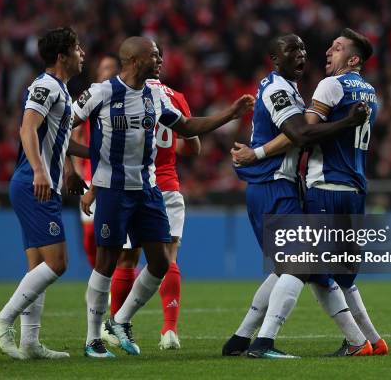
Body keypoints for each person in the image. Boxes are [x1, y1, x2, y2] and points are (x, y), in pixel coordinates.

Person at [72, 36, 254, 358]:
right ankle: (92, 340)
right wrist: (73, 168)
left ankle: (120, 320)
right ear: (134, 60)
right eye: (154, 55)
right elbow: (62, 127)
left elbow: (186, 126)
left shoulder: (155, 94)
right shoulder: (101, 92)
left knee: (159, 262)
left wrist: (230, 114)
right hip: (112, 190)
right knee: (106, 262)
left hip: (148, 189)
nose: (160, 60)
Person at [231, 28, 388, 357]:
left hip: (312, 186)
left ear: (353, 58)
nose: (319, 53)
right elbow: (299, 133)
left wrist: (256, 153)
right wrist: (257, 155)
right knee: (311, 266)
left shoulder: (316, 87)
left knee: (301, 266)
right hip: (315, 186)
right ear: (274, 59)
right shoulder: (367, 91)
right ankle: (366, 340)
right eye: (293, 50)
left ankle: (253, 340)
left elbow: (300, 134)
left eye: (336, 48)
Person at [0, 27, 89, 360]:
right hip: (35, 183)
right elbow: (27, 127)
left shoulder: (61, 90)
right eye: (76, 48)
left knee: (37, 269)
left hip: (39, 183)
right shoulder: (45, 86)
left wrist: (94, 156)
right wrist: (41, 171)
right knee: (57, 264)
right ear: (62, 56)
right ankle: (3, 319)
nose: (81, 53)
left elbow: (59, 140)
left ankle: (30, 343)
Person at [101, 46, 201, 351]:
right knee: (169, 258)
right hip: (168, 185)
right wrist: (171, 152)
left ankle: (118, 324)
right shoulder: (175, 96)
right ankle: (169, 330)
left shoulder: (129, 92)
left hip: (133, 183)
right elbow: (193, 147)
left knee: (126, 258)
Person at [72, 53, 121, 268]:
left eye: (112, 67)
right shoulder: (90, 98)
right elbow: (75, 136)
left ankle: (114, 279)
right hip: (90, 174)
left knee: (114, 233)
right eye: (105, 67)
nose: (109, 71)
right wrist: (75, 170)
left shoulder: (124, 99)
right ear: (98, 73)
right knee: (90, 234)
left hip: (117, 176)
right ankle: (99, 278)